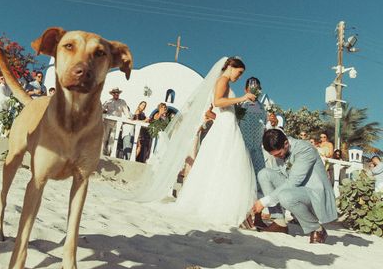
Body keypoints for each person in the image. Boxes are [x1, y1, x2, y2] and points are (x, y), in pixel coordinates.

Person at [134, 57, 257, 228]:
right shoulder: (222, 80)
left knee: (224, 164)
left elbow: (220, 109)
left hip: (227, 126)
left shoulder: (226, 82)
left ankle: (222, 205)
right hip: (224, 128)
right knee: (224, 161)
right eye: (239, 72)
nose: (239, 76)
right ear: (230, 67)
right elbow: (218, 102)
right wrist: (242, 98)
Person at [253, 129, 338, 243]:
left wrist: (263, 202)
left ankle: (317, 229)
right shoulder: (280, 153)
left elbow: (294, 182)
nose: (277, 157)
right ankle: (279, 222)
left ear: (286, 144)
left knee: (285, 196)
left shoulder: (305, 149)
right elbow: (280, 175)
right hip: (296, 190)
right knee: (264, 174)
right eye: (274, 155)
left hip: (314, 193)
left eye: (279, 154)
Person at [238, 76, 268, 228]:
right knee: (243, 181)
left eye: (257, 87)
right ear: (245, 90)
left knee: (259, 182)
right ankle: (242, 215)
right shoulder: (241, 105)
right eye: (251, 87)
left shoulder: (263, 108)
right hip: (244, 150)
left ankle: (257, 216)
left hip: (257, 150)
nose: (254, 90)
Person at [102, 87, 131, 156]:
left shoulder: (122, 102)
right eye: (115, 93)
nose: (116, 94)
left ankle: (109, 154)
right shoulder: (108, 101)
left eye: (117, 93)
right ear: (112, 94)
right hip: (107, 122)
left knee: (112, 139)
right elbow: (102, 109)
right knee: (104, 138)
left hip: (116, 123)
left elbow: (126, 112)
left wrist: (129, 118)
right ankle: (102, 153)